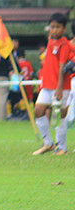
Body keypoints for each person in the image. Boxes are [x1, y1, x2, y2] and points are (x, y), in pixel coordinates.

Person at [32, 13, 74, 155]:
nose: (54, 30)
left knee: (60, 115)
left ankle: (62, 147)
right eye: (52, 27)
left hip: (59, 87)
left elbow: (62, 67)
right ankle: (48, 143)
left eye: (57, 27)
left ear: (64, 28)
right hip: (47, 85)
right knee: (38, 110)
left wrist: (59, 88)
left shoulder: (64, 45)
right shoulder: (50, 42)